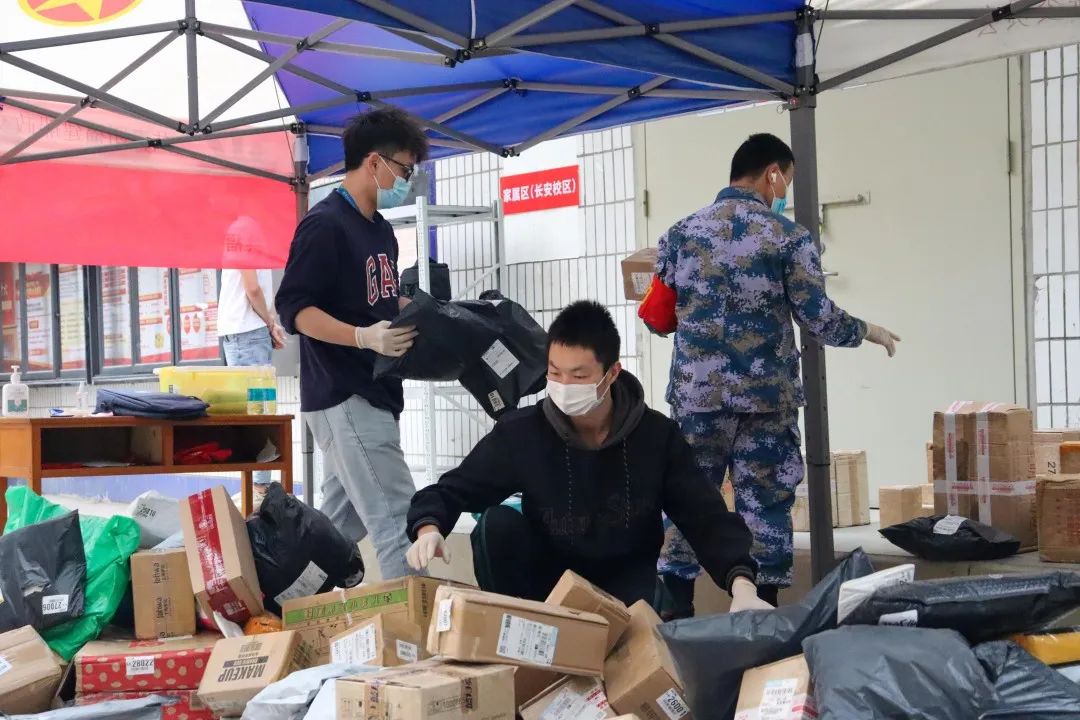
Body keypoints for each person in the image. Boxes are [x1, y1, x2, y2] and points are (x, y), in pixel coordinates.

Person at [654, 133, 900, 615]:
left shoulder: (679, 234)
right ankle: (760, 617)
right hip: (765, 401)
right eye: (786, 178)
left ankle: (671, 618)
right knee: (764, 507)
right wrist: (868, 331)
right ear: (773, 174)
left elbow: (657, 317)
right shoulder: (789, 237)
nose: (784, 189)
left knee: (687, 500)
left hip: (697, 399)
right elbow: (818, 319)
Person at [404, 300, 769, 612]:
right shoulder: (523, 432)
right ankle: (517, 634)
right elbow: (455, 489)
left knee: (642, 619)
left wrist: (741, 584)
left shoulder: (656, 436)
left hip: (625, 579)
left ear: (612, 373)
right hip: (547, 581)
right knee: (496, 525)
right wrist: (428, 528)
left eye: (579, 376)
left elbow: (704, 515)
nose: (564, 386)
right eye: (555, 373)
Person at [275, 108, 428, 580]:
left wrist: (410, 307)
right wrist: (362, 336)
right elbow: (295, 309)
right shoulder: (324, 225)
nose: (407, 180)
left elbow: (370, 296)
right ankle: (420, 626)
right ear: (374, 161)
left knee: (337, 531)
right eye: (404, 169)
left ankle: (277, 602)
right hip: (345, 392)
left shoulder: (380, 229)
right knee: (399, 524)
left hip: (375, 391)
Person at [218, 267, 285, 508]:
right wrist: (270, 322)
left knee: (253, 412)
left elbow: (252, 288)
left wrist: (269, 323)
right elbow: (254, 288)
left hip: (243, 331)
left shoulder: (240, 242)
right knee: (258, 410)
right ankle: (258, 488)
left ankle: (257, 488)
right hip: (248, 331)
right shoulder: (249, 242)